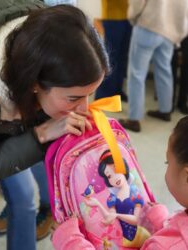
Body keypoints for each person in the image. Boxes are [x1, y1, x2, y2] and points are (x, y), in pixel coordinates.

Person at [0, 1, 110, 250]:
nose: (84, 108)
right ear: (35, 85)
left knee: (26, 200)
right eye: (74, 98)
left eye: (89, 94)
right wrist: (41, 134)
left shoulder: (39, 40)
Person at [51, 116, 188, 250]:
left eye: (167, 162)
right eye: (108, 175)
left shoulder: (161, 245)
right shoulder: (113, 197)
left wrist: (69, 241)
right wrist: (162, 224)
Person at [119, 0, 188, 132]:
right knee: (165, 70)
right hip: (169, 32)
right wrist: (178, 34)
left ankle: (134, 119)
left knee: (136, 73)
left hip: (148, 25)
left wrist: (132, 17)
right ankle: (165, 110)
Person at [95, 0, 132, 102]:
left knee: (122, 58)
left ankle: (117, 91)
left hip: (128, 18)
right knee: (111, 58)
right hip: (112, 17)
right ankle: (104, 95)